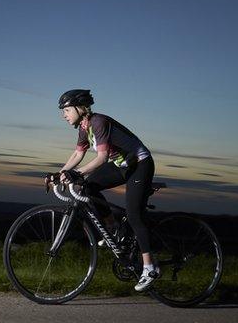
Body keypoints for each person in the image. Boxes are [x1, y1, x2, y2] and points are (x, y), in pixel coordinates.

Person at [47, 89, 159, 292]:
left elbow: (101, 158)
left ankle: (150, 268)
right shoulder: (83, 127)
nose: (63, 115)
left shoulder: (99, 122)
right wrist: (60, 173)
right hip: (122, 165)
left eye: (66, 110)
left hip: (140, 164)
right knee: (87, 187)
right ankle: (113, 226)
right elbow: (77, 154)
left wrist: (77, 173)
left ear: (80, 108)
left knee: (134, 214)